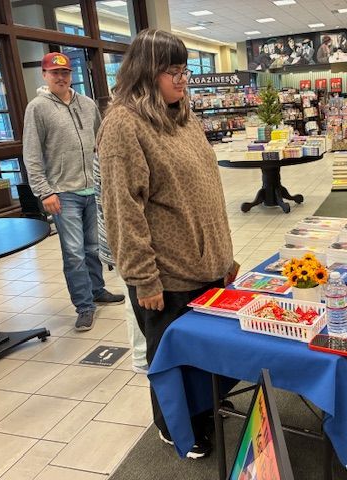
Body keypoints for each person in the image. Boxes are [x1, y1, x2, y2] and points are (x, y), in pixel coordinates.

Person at [96, 29, 237, 459]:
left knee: (205, 352)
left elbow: (207, 191)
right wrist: (143, 279)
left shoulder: (185, 116)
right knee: (171, 360)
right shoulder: (123, 125)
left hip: (207, 264)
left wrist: (224, 255)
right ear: (145, 73)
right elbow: (123, 210)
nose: (182, 79)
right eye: (171, 71)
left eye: (184, 70)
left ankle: (203, 407)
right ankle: (176, 427)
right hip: (167, 275)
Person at [23, 52, 124, 332]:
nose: (61, 77)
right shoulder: (38, 108)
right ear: (44, 75)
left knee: (93, 247)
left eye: (65, 72)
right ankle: (84, 306)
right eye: (54, 73)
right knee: (74, 253)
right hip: (62, 192)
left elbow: (100, 143)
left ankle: (97, 290)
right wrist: (44, 192)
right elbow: (31, 154)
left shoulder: (87, 104)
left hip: (92, 189)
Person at [93, 154, 148, 374]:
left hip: (130, 241)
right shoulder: (118, 134)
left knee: (138, 296)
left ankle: (144, 354)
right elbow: (121, 209)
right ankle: (141, 357)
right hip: (125, 244)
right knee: (135, 295)